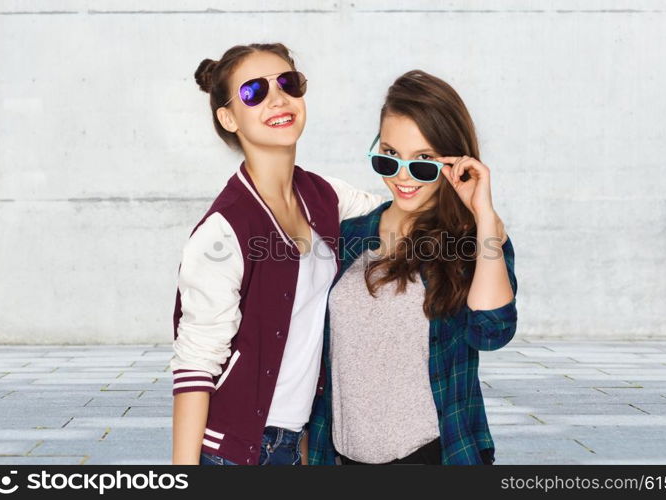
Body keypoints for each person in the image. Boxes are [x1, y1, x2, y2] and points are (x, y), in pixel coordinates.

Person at [170, 43, 383, 466]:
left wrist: (473, 205)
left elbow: (399, 213)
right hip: (233, 452)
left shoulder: (324, 195)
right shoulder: (223, 231)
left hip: (297, 442)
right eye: (254, 92)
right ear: (228, 117)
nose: (279, 99)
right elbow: (195, 365)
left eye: (288, 83)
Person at [308, 70, 518, 465]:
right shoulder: (347, 237)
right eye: (389, 156)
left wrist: (484, 215)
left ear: (455, 161)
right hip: (340, 457)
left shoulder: (473, 242)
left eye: (423, 161)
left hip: (434, 456)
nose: (403, 176)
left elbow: (492, 332)